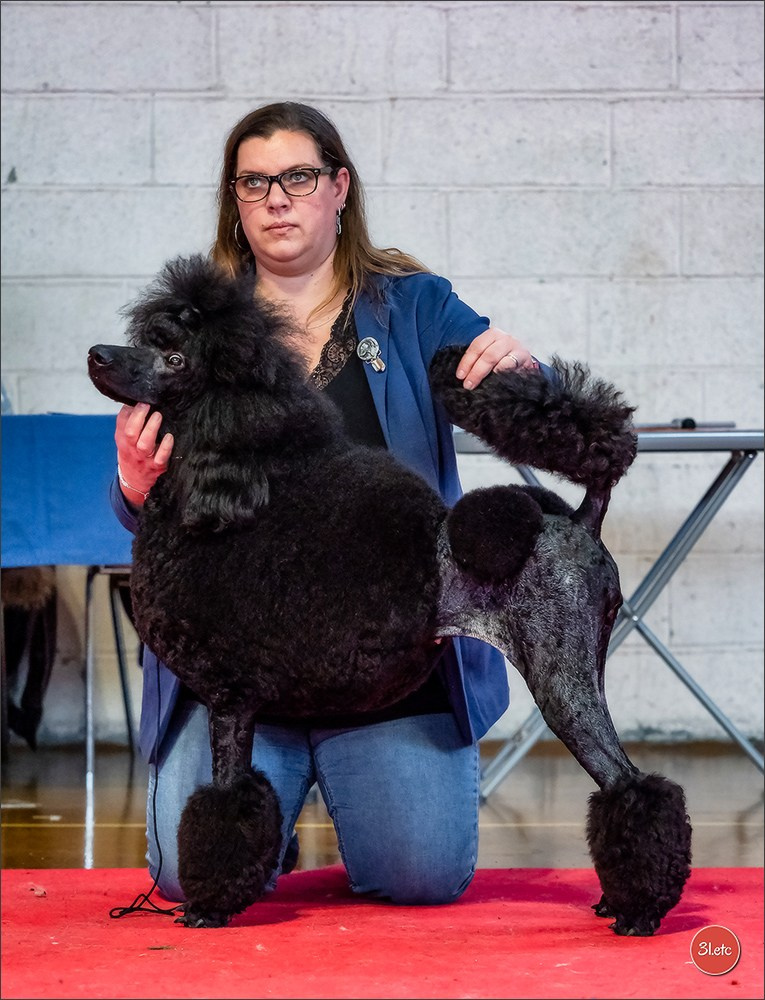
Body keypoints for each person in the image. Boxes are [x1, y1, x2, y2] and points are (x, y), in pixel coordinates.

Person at [111, 101, 552, 907]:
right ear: (234, 202)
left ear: (338, 187)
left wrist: (528, 371)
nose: (276, 197)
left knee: (419, 878)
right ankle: (273, 803)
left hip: (393, 672)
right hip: (240, 682)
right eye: (254, 182)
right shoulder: (194, 328)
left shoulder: (415, 307)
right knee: (185, 879)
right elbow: (154, 506)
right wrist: (135, 490)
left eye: (297, 177)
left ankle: (325, 795)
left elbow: (528, 400)